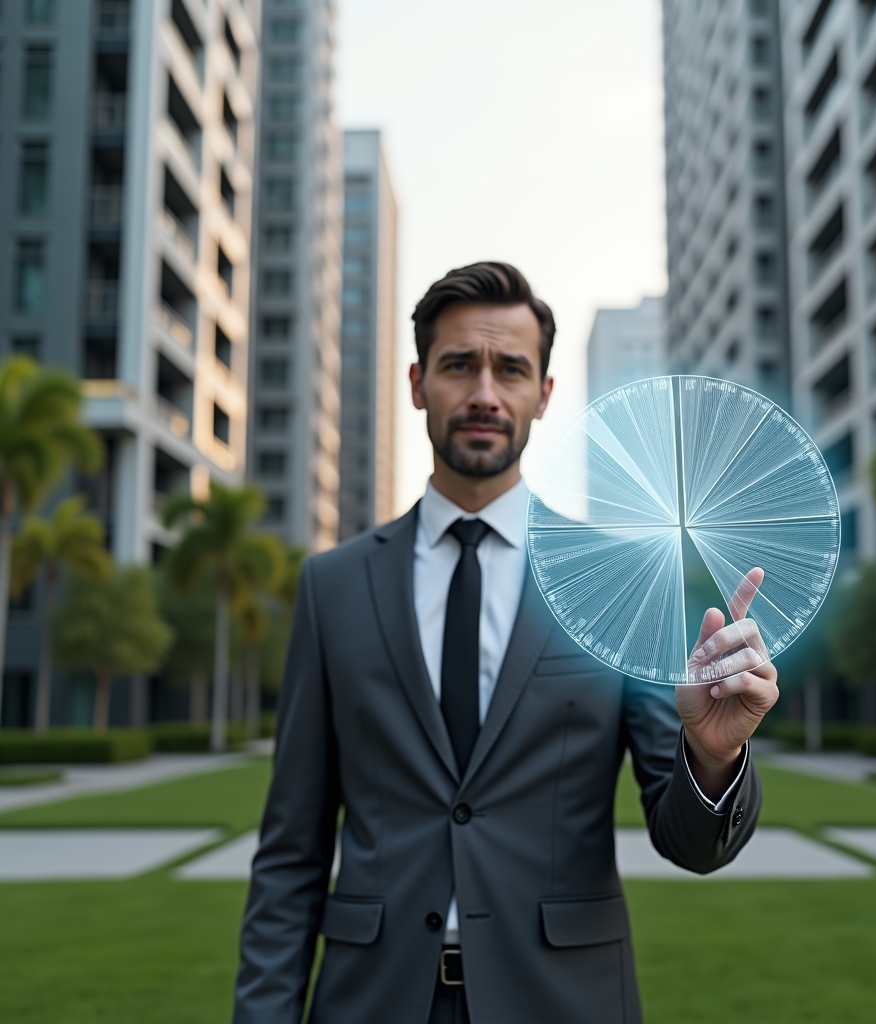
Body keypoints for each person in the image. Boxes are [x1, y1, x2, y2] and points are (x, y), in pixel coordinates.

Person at [233, 262, 779, 1024]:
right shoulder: (333, 586)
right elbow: (291, 854)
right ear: (419, 382)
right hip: (372, 1001)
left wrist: (713, 756)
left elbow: (692, 843)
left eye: (510, 369)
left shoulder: (619, 582)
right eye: (460, 366)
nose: (485, 393)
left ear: (543, 394)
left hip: (562, 1000)